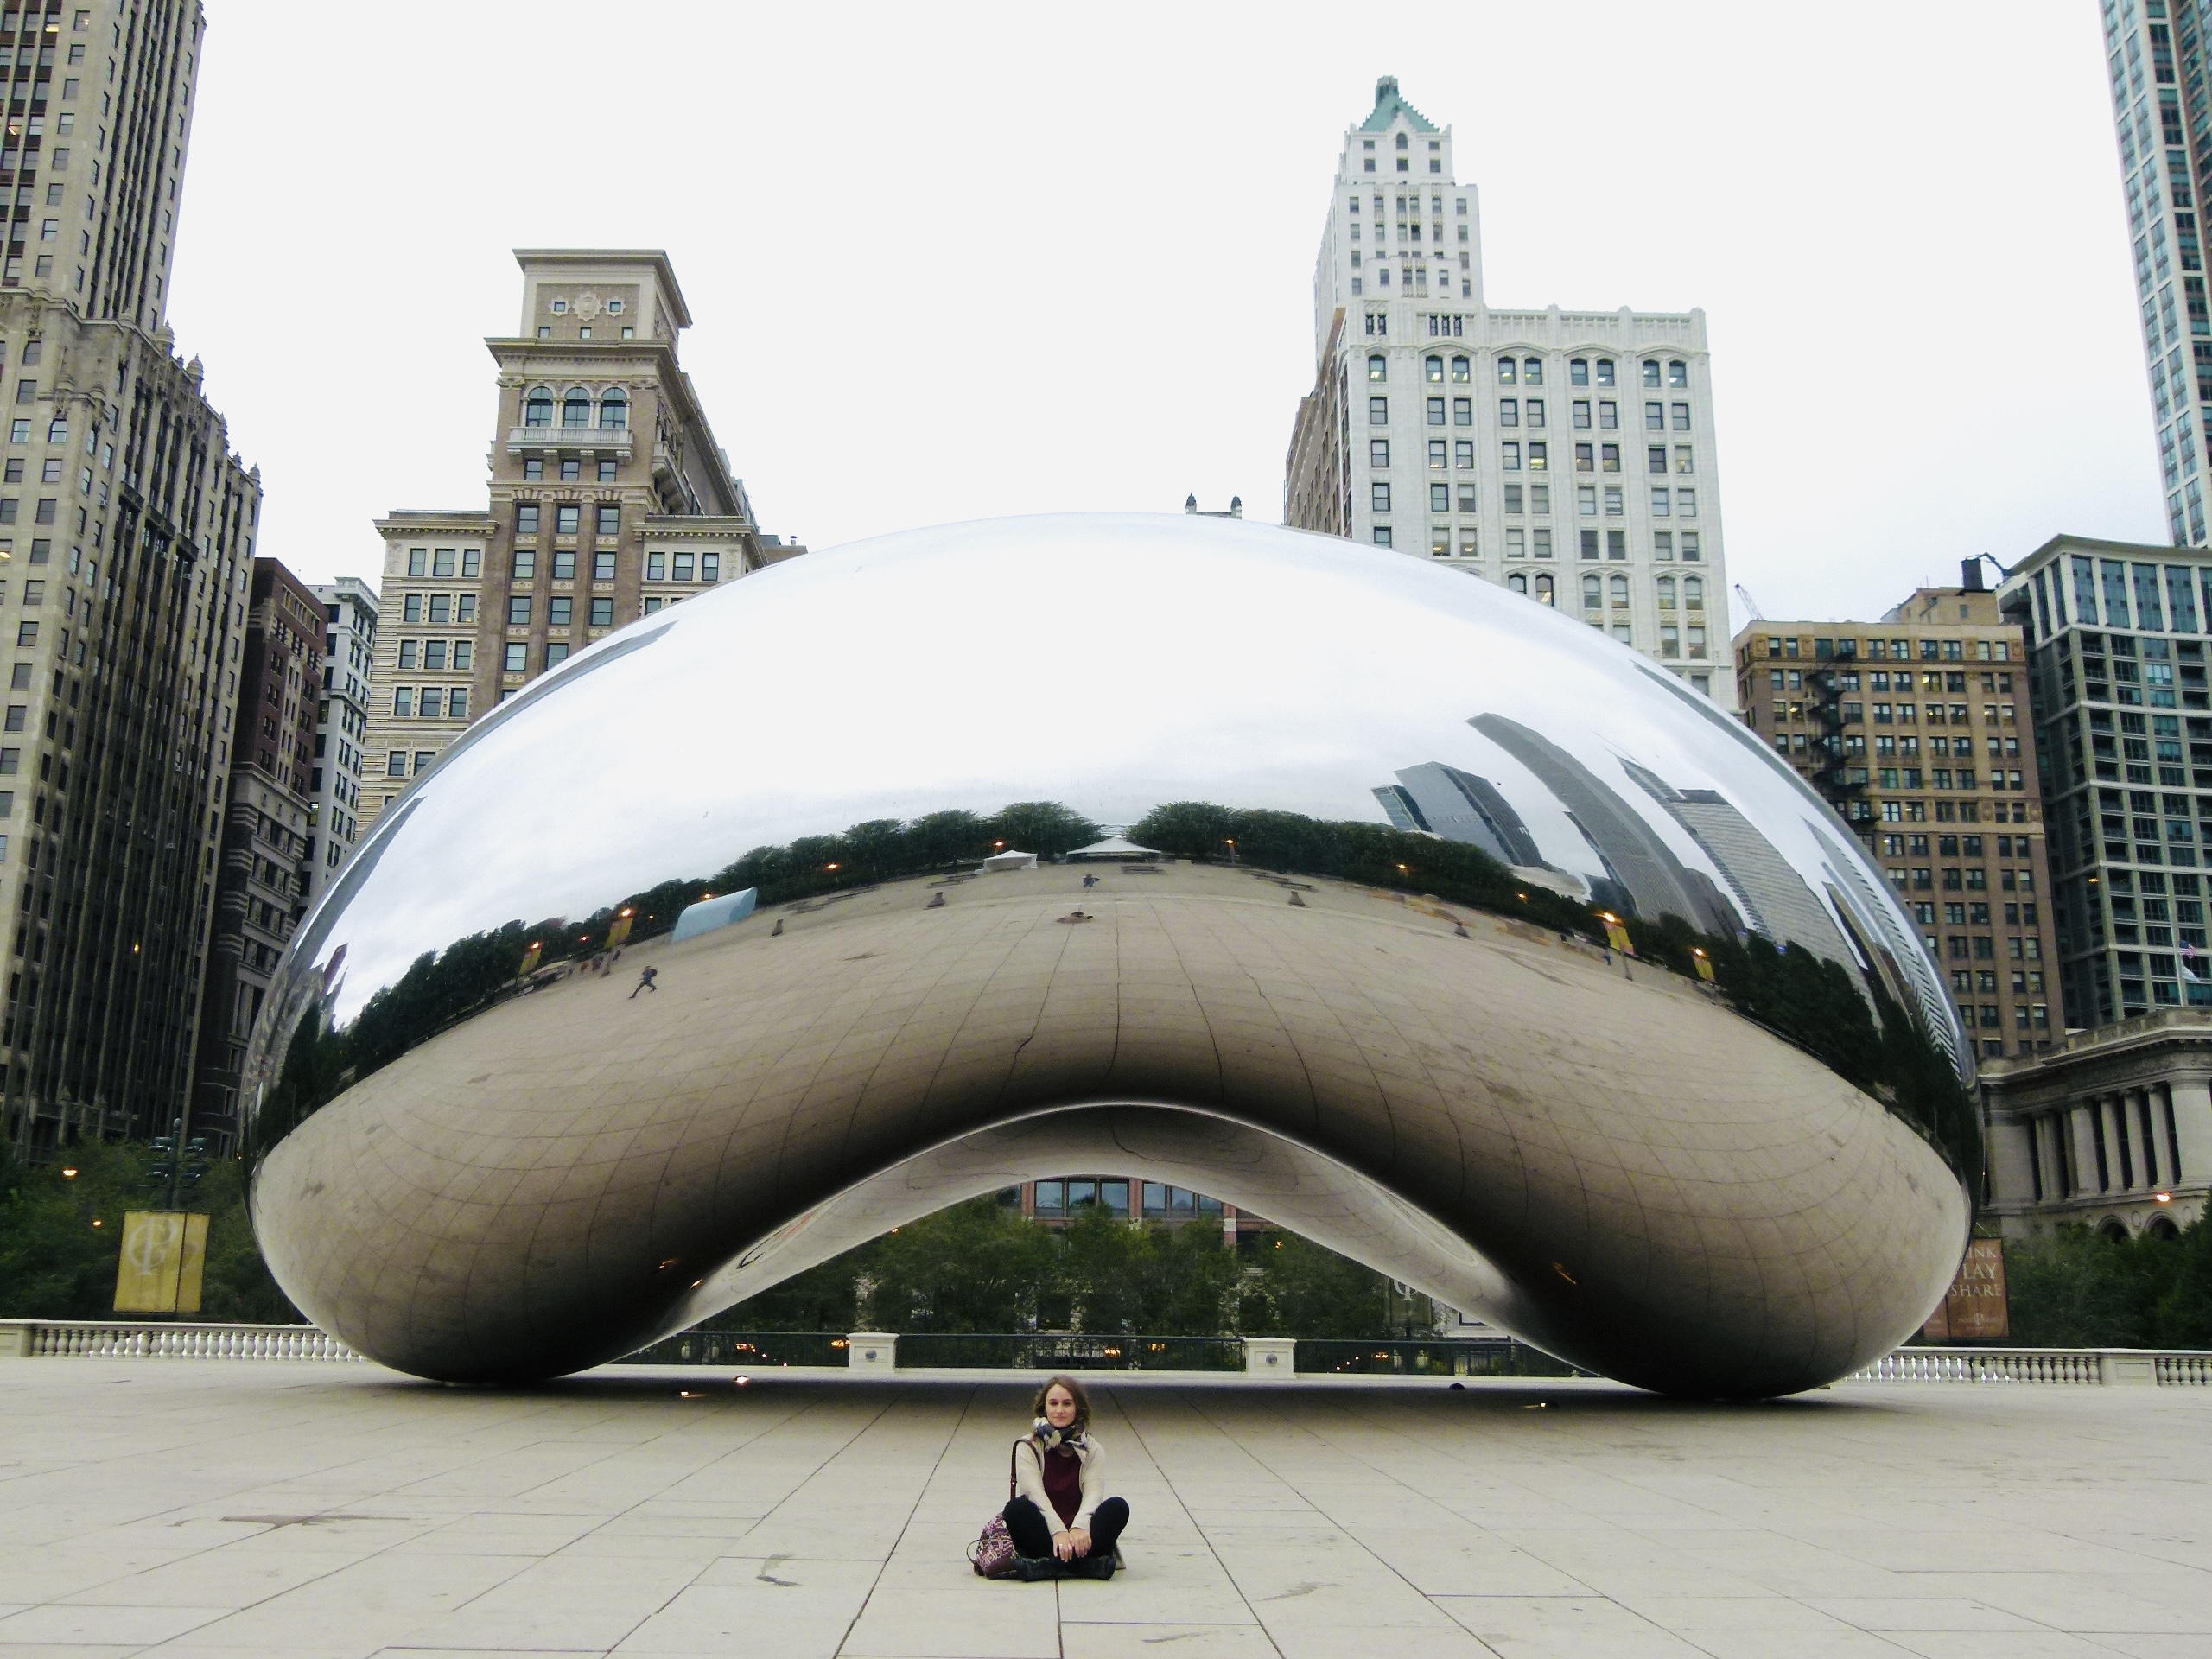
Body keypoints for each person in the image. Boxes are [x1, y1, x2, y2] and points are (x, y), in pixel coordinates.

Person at [1005, 1375, 1128, 1580]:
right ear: (1044, 1407)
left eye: (1067, 1404)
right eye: (1053, 1403)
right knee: (1016, 1509)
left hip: (1082, 1536)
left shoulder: (1092, 1448)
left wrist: (1079, 1527)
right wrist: (1058, 1532)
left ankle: (1047, 1566)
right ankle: (1086, 1566)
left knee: (1118, 1507)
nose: (1060, 1410)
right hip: (1045, 1532)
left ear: (1078, 1408)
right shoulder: (1027, 1445)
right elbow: (1034, 1494)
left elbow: (1093, 1495)